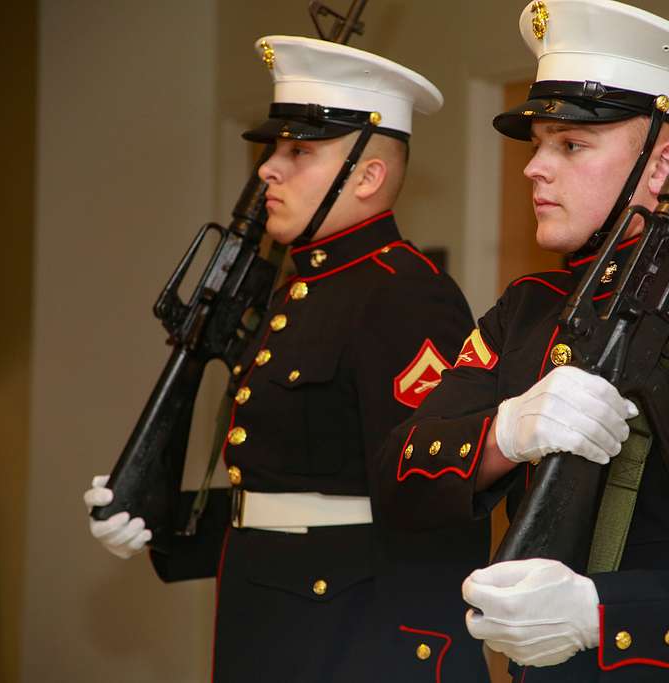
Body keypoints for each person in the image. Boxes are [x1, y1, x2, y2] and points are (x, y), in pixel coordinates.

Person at [377, 1, 669, 681]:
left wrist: (600, 612)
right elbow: (399, 477)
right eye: (537, 143)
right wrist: (506, 432)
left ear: (665, 168)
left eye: (570, 145)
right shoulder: (526, 312)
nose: (534, 167)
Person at [83, 36, 491, 682]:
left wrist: (428, 663)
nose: (268, 167)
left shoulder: (405, 294)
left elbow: (428, 508)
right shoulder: (298, 288)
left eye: (299, 150)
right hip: (270, 630)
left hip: (349, 646)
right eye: (276, 148)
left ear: (368, 175)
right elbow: (287, 495)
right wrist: (159, 520)